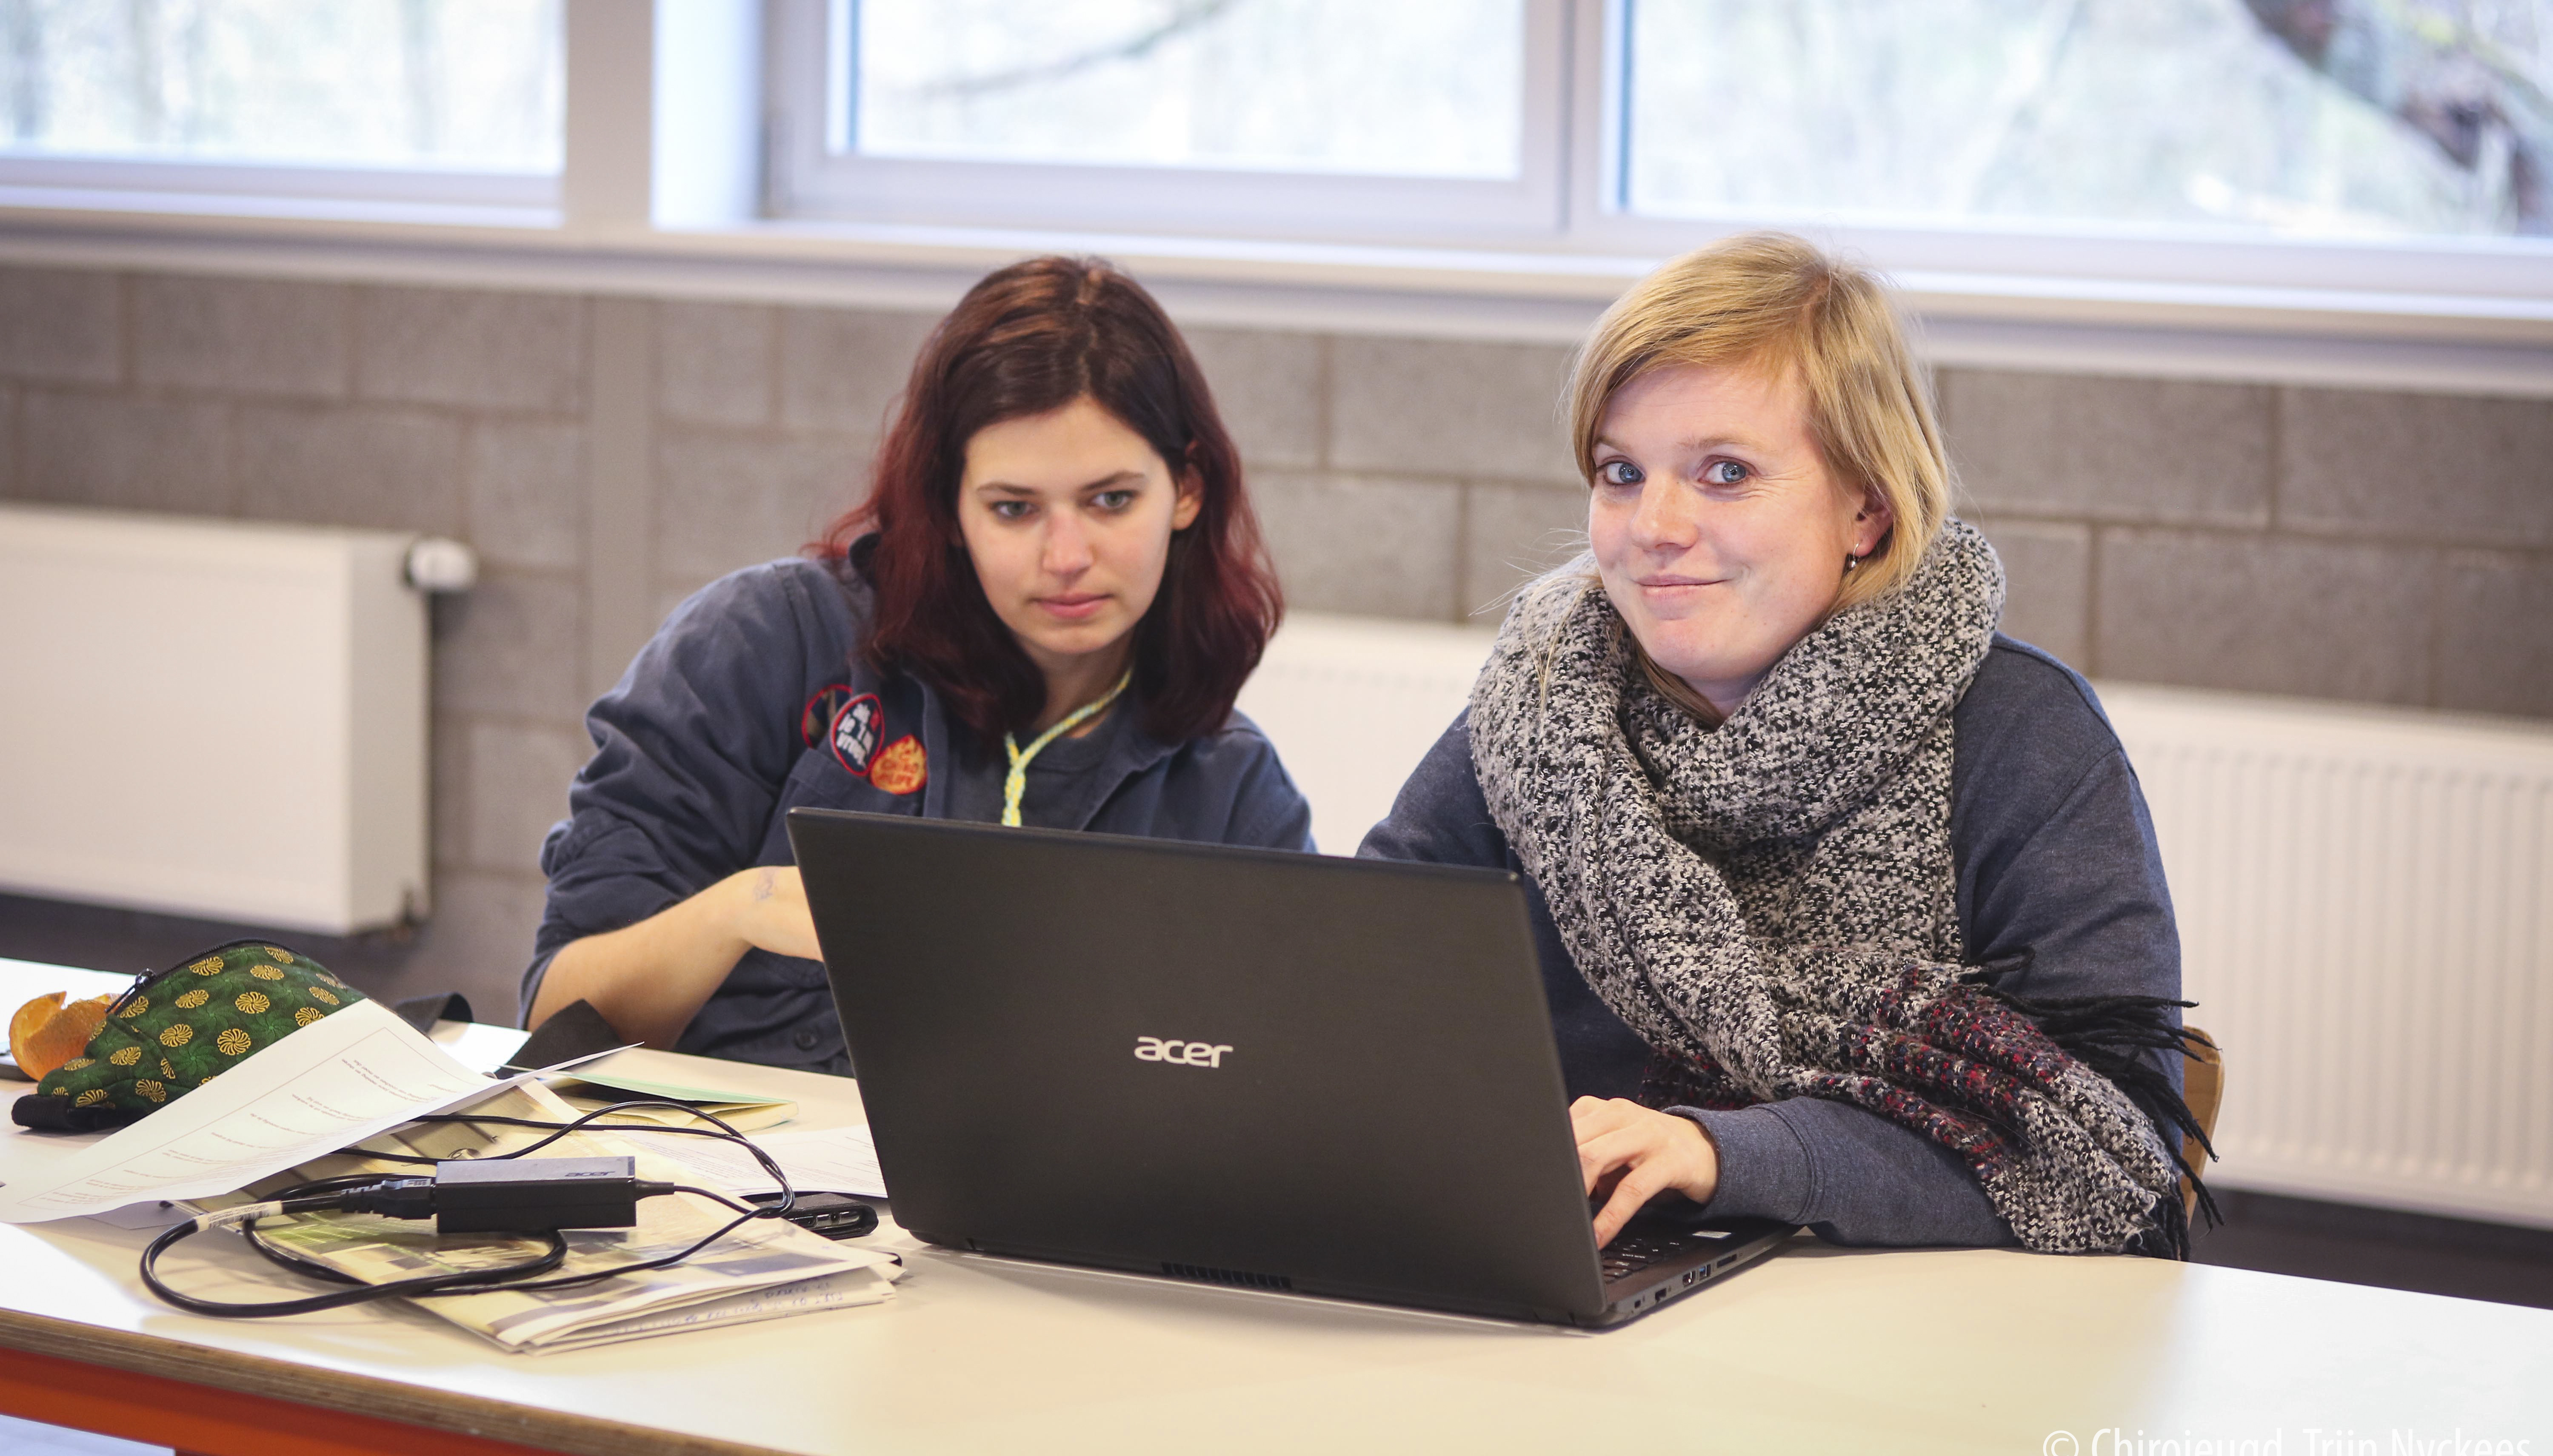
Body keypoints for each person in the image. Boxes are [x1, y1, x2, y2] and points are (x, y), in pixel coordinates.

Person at [1363, 231, 2204, 1257]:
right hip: (1586, 1287)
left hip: (1915, 1334)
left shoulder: (2023, 735)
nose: (1653, 526)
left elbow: (2115, 1151)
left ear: (1867, 508)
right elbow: (1357, 987)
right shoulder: (1540, 711)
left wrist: (1732, 1152)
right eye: (1621, 472)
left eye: (1725, 472)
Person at [523, 256, 1312, 1068]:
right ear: (948, 510)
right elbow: (554, 1021)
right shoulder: (768, 640)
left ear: (1186, 490)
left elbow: (1281, 1086)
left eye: (1112, 500)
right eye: (1014, 509)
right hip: (715, 1179)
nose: (1068, 556)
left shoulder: (1236, 791)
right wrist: (743, 908)